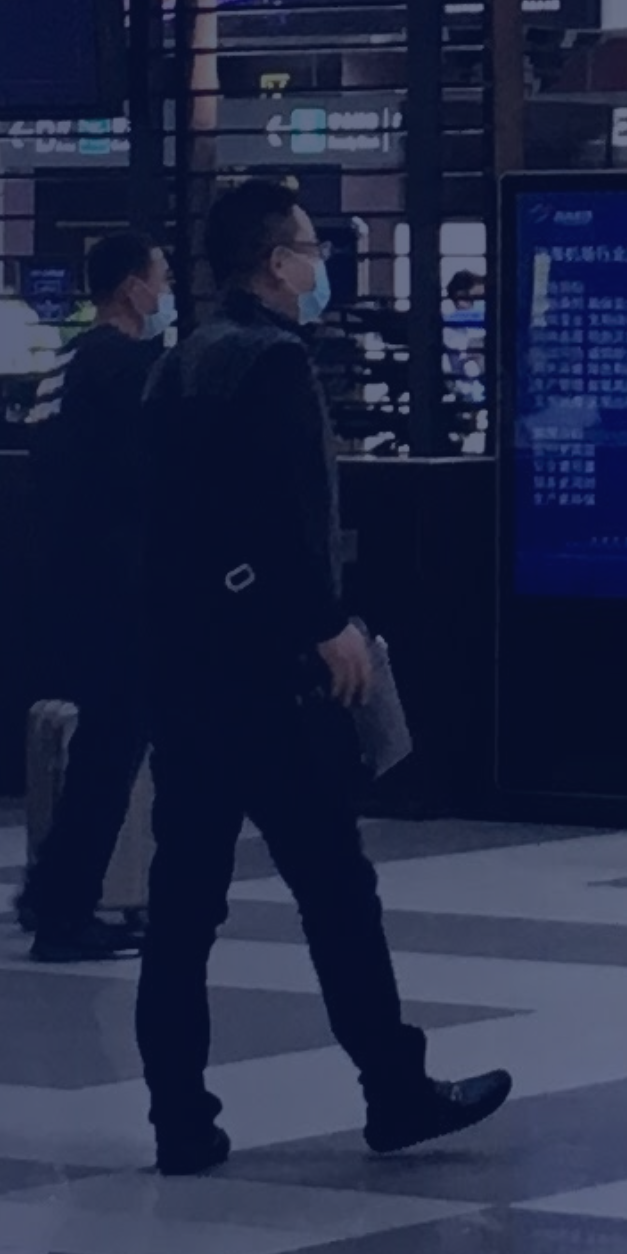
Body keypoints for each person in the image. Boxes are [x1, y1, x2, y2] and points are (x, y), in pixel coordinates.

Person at [137, 180, 511, 1177]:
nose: (318, 264)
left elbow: (171, 524)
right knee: (336, 890)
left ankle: (179, 1118)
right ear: (275, 262)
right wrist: (321, 624)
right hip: (267, 679)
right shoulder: (274, 363)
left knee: (182, 904)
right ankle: (393, 1091)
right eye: (309, 247)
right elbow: (276, 520)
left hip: (186, 674)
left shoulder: (177, 366)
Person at [11, 232, 176, 964]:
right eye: (161, 276)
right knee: (112, 748)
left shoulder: (69, 363)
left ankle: (53, 890)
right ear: (132, 287)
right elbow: (155, 474)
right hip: (122, 586)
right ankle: (64, 906)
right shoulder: (133, 368)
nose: (166, 289)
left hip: (66, 579)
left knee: (104, 746)